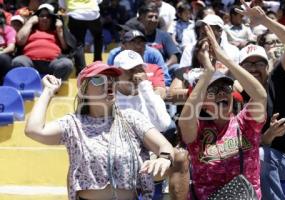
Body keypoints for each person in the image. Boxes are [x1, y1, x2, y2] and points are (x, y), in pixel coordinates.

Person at [25, 61, 175, 200]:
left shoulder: (131, 118)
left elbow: (165, 147)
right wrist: (48, 92)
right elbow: (33, 130)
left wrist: (164, 158)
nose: (108, 82)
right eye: (98, 79)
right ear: (84, 90)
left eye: (112, 79)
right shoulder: (73, 123)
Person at [178, 24, 267, 199]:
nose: (221, 92)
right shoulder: (197, 129)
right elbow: (184, 120)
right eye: (213, 90)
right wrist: (209, 71)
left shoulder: (246, 122)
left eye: (225, 87)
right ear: (202, 103)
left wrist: (224, 59)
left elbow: (260, 96)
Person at [235, 1, 285, 199]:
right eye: (248, 64)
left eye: (259, 63)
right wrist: (269, 136)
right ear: (239, 71)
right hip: (283, 161)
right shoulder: (236, 99)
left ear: (267, 66)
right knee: (260, 155)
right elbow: (246, 146)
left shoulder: (279, 78)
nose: (254, 68)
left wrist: (264, 20)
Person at [114, 49, 173, 133]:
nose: (136, 75)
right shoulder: (110, 97)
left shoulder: (148, 92)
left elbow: (163, 125)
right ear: (117, 74)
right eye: (130, 70)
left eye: (139, 69)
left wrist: (145, 87)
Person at [11, 3, 73, 80]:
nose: (44, 18)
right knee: (18, 61)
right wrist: (30, 22)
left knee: (67, 64)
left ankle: (51, 86)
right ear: (37, 17)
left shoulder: (56, 30)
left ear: (52, 19)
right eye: (42, 16)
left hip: (52, 63)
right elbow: (19, 41)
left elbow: (65, 47)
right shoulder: (30, 29)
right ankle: (30, 85)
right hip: (30, 62)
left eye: (48, 16)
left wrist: (59, 30)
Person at [107, 29, 171, 87]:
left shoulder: (154, 65)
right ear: (123, 46)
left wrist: (146, 83)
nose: (139, 46)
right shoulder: (114, 55)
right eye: (133, 42)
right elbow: (109, 81)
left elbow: (165, 82)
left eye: (142, 43)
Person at [58, 0, 103, 74]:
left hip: (76, 14)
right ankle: (98, 62)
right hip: (92, 13)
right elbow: (99, 1)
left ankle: (81, 71)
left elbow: (62, 7)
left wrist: (61, 18)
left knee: (78, 44)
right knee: (98, 36)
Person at [0, 9, 16, 83]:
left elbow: (11, 47)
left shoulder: (9, 29)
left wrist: (1, 52)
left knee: (2, 58)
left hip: (5, 56)